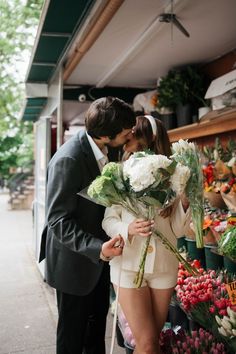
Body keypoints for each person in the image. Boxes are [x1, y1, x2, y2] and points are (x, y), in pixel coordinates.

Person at [39, 96, 136, 354]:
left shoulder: (109, 150)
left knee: (95, 332)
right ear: (105, 136)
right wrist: (98, 249)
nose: (129, 137)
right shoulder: (68, 160)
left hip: (100, 260)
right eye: (126, 133)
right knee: (72, 336)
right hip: (73, 263)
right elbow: (58, 220)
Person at [102, 115, 191, 354]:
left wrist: (185, 200)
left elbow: (180, 230)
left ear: (148, 137)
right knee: (147, 343)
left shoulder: (174, 174)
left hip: (164, 267)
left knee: (154, 339)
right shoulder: (120, 173)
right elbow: (109, 219)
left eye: (133, 132)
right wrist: (127, 230)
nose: (127, 136)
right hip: (129, 265)